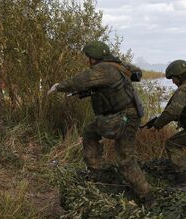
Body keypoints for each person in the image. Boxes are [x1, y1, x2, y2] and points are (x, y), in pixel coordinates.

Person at [47, 41, 153, 205]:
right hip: (127, 115)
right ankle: (98, 172)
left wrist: (59, 87)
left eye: (88, 57)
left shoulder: (103, 68)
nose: (88, 60)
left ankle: (146, 195)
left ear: (93, 57)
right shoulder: (118, 64)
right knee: (91, 132)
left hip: (122, 117)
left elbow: (78, 81)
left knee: (125, 159)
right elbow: (136, 73)